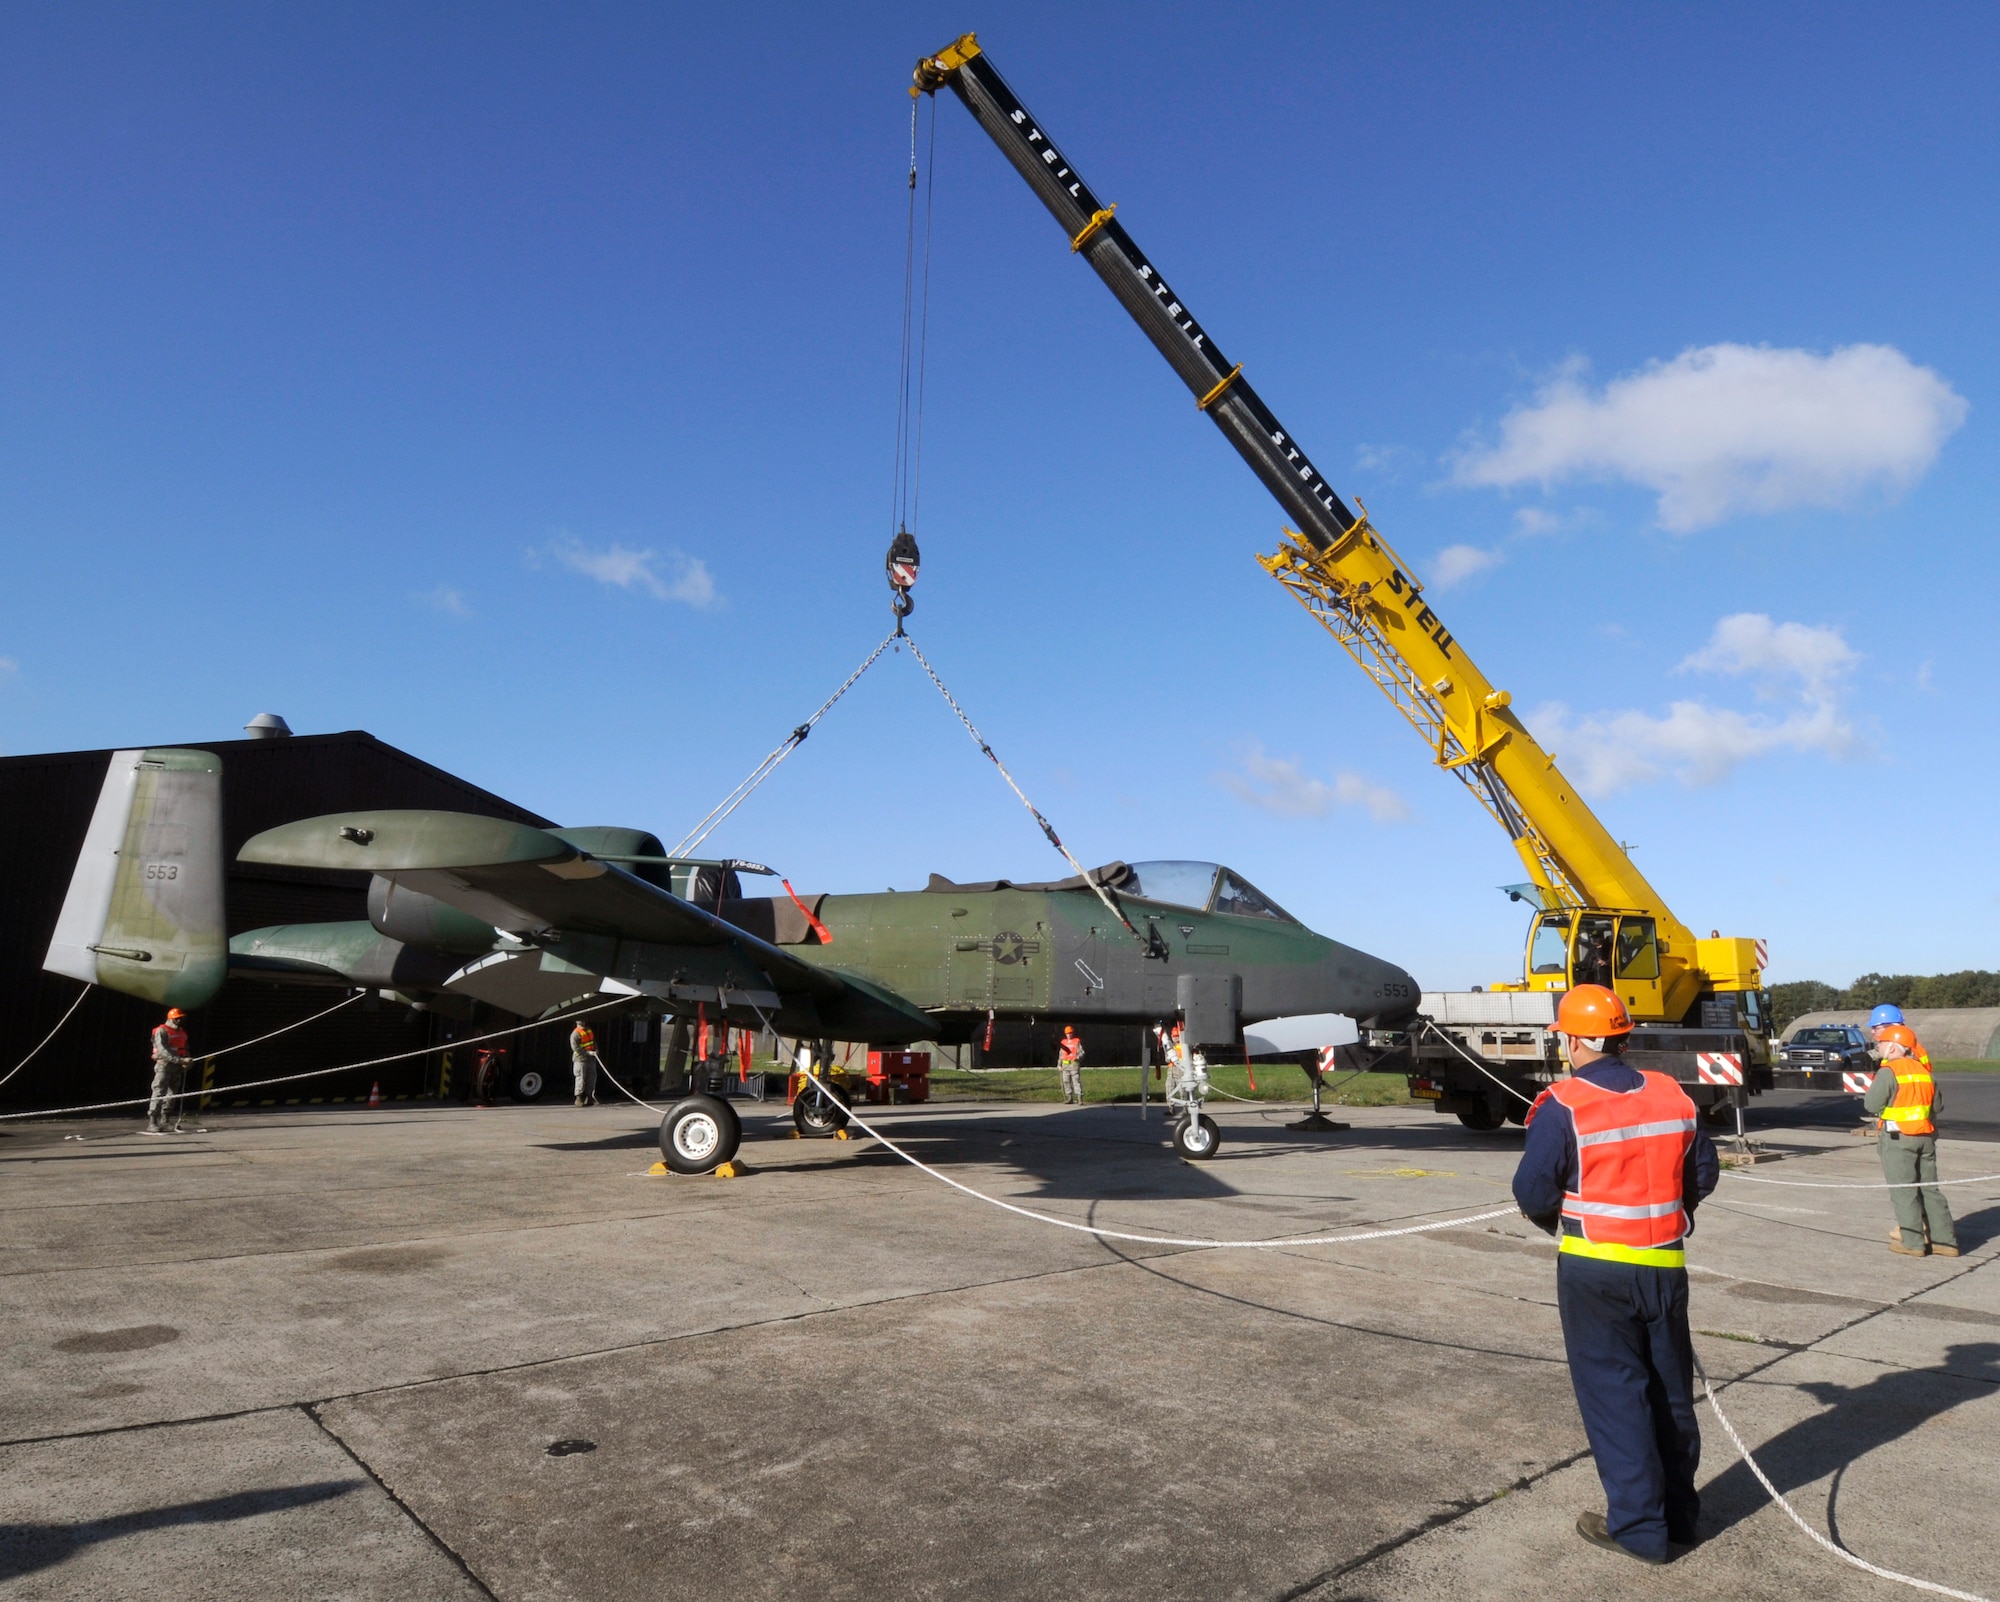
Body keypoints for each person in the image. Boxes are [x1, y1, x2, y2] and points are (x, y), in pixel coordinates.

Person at [1512, 984, 1719, 1565]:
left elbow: (1532, 1191)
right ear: (1621, 1036)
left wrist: (1559, 1217)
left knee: (1616, 1398)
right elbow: (1702, 1173)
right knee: (1670, 1393)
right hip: (1665, 1269)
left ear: (1575, 1040)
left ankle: (1638, 1529)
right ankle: (1680, 1518)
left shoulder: (1564, 1104)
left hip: (1596, 1270)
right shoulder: (1671, 1093)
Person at [1866, 1023, 1957, 1258]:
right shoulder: (1923, 1070)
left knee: (1904, 1191)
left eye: (1883, 1043)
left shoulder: (1889, 1071)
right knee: (1930, 1189)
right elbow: (1938, 1105)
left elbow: (1871, 1105)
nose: (1879, 1046)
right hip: (1925, 1137)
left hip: (1898, 1139)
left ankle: (1913, 1242)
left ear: (1895, 1047)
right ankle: (1945, 1241)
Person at [147, 1007, 190, 1134]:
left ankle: (165, 1119)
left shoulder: (182, 1032)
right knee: (159, 1092)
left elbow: (185, 1048)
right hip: (164, 1066)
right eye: (178, 1018)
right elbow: (162, 1050)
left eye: (181, 1018)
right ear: (171, 1019)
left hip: (177, 1067)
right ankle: (153, 1122)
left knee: (172, 1094)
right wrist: (180, 1060)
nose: (180, 1020)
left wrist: (187, 1060)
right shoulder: (162, 1031)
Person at [570, 1020, 598, 1106]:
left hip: (591, 1059)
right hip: (580, 1059)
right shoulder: (575, 1034)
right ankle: (578, 1098)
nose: (583, 1023)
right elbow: (575, 1048)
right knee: (580, 1078)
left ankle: (589, 1097)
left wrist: (596, 1049)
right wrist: (587, 1052)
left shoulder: (589, 1031)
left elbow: (593, 1042)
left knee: (591, 1078)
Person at [1058, 1026, 1085, 1104]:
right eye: (1067, 1033)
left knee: (1076, 1081)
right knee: (1066, 1081)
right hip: (1065, 1065)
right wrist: (1059, 1065)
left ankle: (1079, 1098)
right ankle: (1069, 1098)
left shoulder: (1076, 1042)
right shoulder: (1063, 1042)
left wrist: (1078, 1057)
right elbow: (1061, 1054)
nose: (1069, 1035)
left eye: (1070, 1033)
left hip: (1074, 1064)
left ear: (1072, 1033)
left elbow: (1082, 1052)